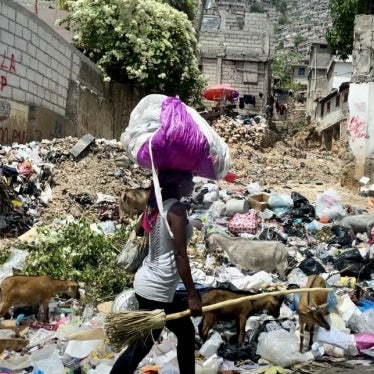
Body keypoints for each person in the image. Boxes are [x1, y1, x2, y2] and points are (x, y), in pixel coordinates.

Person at [110, 169, 202, 374]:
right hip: (157, 289)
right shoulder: (176, 209)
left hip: (151, 282)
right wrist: (192, 295)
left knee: (186, 333)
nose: (193, 183)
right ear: (179, 181)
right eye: (190, 178)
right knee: (141, 347)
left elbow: (141, 231)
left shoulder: (155, 204)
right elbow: (180, 254)